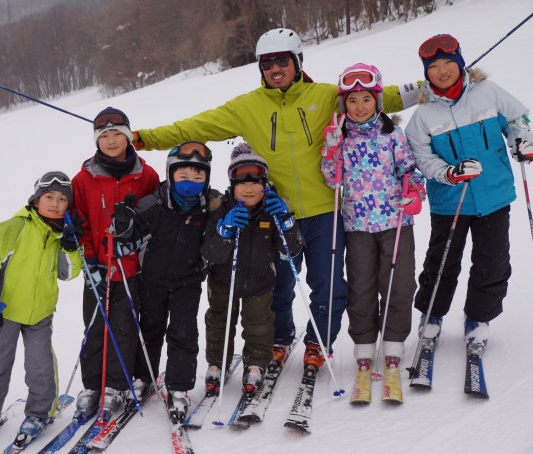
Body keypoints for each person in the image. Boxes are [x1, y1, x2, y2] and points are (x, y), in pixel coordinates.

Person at [131, 27, 419, 367]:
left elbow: (381, 94)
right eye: (266, 63)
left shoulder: (325, 96)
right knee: (278, 287)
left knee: (329, 288)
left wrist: (438, 83)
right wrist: (145, 138)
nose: (274, 68)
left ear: (297, 61)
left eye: (281, 60)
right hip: (277, 214)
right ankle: (280, 338)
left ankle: (318, 341)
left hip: (326, 211)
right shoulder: (246, 107)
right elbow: (195, 127)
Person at [404, 34, 533, 353]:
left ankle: (479, 318)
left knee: (493, 262)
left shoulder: (488, 92)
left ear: (460, 63)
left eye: (448, 62)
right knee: (442, 261)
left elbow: (519, 118)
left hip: (494, 195)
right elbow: (422, 157)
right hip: (449, 202)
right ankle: (431, 315)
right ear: (426, 72)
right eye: (433, 66)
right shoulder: (422, 116)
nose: (442, 70)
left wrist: (522, 140)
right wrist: (448, 173)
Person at [0, 172, 83, 451]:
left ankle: (39, 414)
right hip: (6, 311)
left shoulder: (60, 234)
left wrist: (72, 248)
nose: (55, 203)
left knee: (40, 366)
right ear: (36, 199)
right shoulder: (15, 227)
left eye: (62, 199)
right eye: (49, 197)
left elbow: (69, 274)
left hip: (40, 314)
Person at [320, 63, 425, 382]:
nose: (359, 107)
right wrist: (331, 151)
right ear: (343, 104)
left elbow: (409, 168)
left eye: (366, 99)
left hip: (396, 222)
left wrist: (414, 188)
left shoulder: (391, 133)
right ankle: (364, 344)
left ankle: (394, 341)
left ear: (378, 101)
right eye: (352, 100)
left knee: (399, 284)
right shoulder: (340, 135)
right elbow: (330, 179)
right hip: (358, 227)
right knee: (361, 287)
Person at [110, 141, 217, 421]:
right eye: (183, 176)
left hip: (188, 281)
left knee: (183, 332)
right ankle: (144, 376)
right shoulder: (152, 205)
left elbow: (227, 222)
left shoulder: (210, 206)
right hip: (152, 279)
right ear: (170, 175)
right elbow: (125, 244)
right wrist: (123, 227)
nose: (191, 183)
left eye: (198, 177)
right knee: (150, 329)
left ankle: (178, 388)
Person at [71, 107, 159, 418]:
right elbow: (78, 222)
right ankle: (93, 384)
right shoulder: (83, 179)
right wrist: (88, 259)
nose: (111, 140)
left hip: (130, 267)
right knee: (95, 327)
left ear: (127, 136)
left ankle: (117, 385)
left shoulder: (146, 175)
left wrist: (136, 243)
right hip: (97, 269)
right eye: (104, 136)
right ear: (96, 141)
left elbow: (153, 219)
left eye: (117, 134)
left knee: (123, 328)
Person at [201, 143, 304, 396]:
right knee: (219, 322)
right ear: (231, 185)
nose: (249, 189)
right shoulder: (220, 209)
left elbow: (291, 251)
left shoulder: (272, 210)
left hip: (259, 281)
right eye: (241, 183)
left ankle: (256, 364)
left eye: (255, 182)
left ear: (265, 184)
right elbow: (209, 252)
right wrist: (224, 231)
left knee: (259, 324)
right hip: (223, 280)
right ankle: (217, 363)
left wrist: (286, 222)